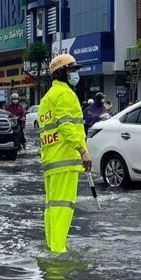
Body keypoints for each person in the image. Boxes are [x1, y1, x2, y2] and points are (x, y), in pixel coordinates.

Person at [38, 53, 91, 254]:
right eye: (72, 70)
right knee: (63, 207)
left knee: (53, 207)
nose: (75, 74)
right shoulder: (65, 94)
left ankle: (53, 245)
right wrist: (82, 150)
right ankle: (59, 250)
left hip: (51, 161)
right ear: (61, 73)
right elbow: (66, 125)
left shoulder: (47, 98)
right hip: (65, 159)